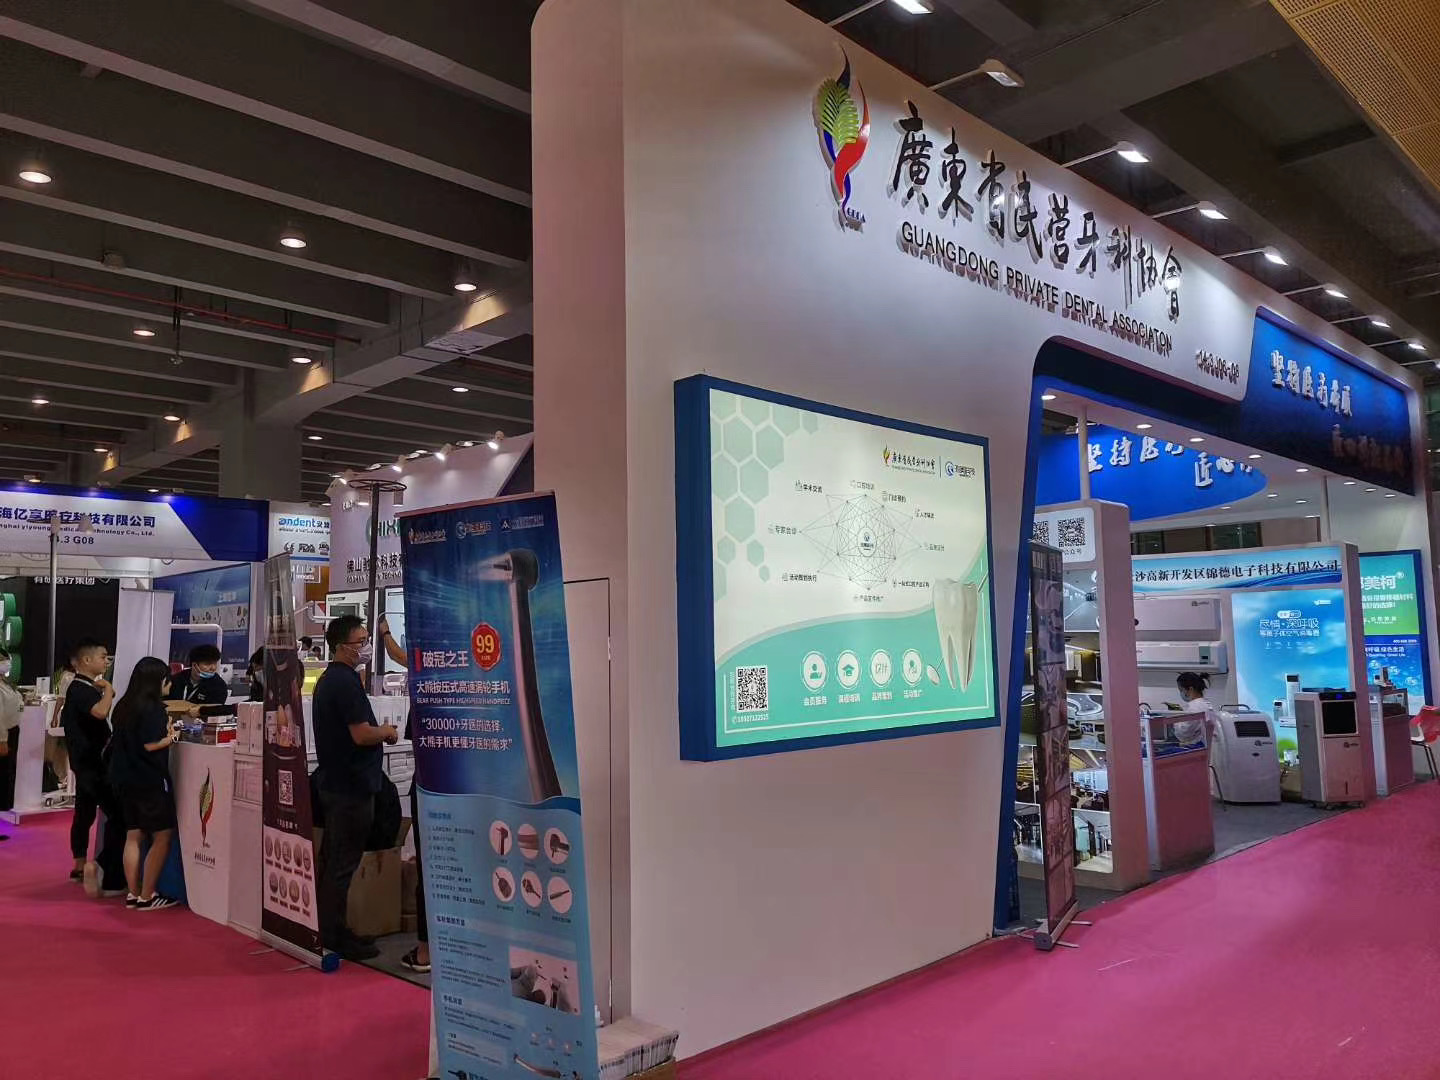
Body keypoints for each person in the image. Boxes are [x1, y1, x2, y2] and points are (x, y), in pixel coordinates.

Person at [314, 615, 398, 960]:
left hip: (338, 784)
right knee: (341, 864)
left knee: (334, 861)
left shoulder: (332, 680)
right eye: (360, 642)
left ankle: (331, 927)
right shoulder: (344, 683)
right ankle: (333, 935)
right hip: (350, 788)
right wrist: (387, 732)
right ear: (341, 647)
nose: (365, 647)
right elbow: (361, 734)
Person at [108, 657, 189, 910]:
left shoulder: (123, 706)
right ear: (158, 681)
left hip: (125, 780)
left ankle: (133, 893)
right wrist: (172, 738)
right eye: (167, 680)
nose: (170, 685)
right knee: (162, 836)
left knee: (133, 835)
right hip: (149, 779)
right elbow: (150, 745)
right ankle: (147, 895)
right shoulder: (153, 709)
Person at [378, 615, 428, 974]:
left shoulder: (428, 656)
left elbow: (398, 654)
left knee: (428, 862)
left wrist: (383, 631)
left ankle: (426, 951)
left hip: (430, 774)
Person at [60, 639, 126, 894]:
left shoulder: (82, 687)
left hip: (86, 762)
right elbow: (100, 712)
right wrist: (108, 689)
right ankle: (98, 865)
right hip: (93, 764)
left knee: (84, 813)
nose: (106, 661)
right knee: (118, 815)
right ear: (86, 660)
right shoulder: (81, 688)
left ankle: (79, 865)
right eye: (103, 657)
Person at [167, 644, 233, 718]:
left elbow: (215, 710)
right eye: (207, 664)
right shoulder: (176, 680)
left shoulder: (219, 685)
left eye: (215, 663)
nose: (213, 668)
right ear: (194, 665)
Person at [0, 647, 21, 833]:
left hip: (12, 732)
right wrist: (2, 740)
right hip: (3, 734)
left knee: (5, 777)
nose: (6, 663)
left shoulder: (5, 683)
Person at [1174, 671, 1215, 747]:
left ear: (1190, 689)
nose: (1181, 693)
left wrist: (1176, 721)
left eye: (1181, 690)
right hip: (1206, 746)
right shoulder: (1206, 704)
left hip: (1197, 747)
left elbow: (1184, 733)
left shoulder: (1194, 707)